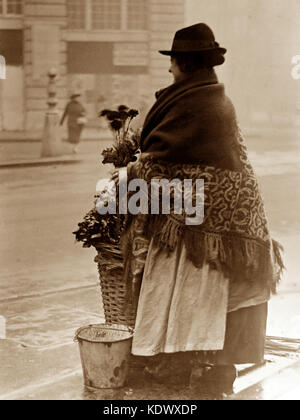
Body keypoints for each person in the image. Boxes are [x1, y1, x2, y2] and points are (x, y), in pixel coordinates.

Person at [120, 23, 284, 398]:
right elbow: (169, 155)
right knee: (208, 293)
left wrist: (128, 174)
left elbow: (162, 162)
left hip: (218, 216)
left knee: (210, 292)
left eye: (174, 61)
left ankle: (199, 367)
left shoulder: (201, 103)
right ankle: (196, 364)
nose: (169, 69)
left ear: (187, 63)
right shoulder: (202, 96)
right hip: (216, 212)